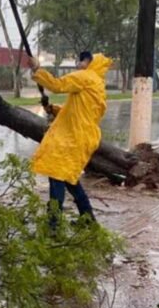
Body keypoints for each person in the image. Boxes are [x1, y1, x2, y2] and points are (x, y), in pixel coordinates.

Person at [28, 51, 113, 230]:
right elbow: (75, 112)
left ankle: (53, 224)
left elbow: (58, 85)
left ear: (89, 62)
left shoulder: (85, 77)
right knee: (70, 179)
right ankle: (88, 219)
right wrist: (52, 109)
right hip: (82, 138)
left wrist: (38, 69)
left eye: (82, 60)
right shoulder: (97, 83)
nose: (78, 64)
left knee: (57, 176)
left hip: (71, 139)